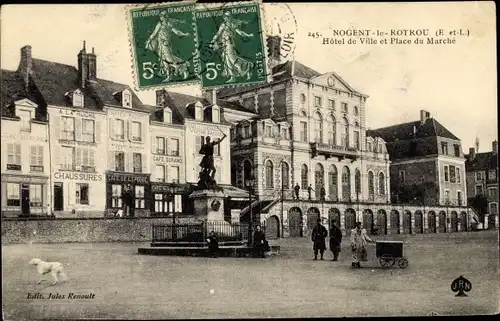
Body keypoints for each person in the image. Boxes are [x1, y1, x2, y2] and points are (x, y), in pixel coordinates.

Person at [145, 11, 190, 81]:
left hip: (165, 43)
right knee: (164, 60)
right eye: (162, 17)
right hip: (161, 44)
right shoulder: (163, 24)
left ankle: (183, 65)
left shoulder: (166, 24)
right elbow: (154, 33)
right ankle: (169, 76)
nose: (162, 18)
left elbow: (176, 32)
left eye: (163, 16)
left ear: (164, 17)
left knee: (169, 59)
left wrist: (184, 34)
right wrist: (148, 41)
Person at [210, 11, 254, 83]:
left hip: (229, 44)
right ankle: (232, 77)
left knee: (233, 60)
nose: (226, 18)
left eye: (227, 17)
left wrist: (248, 35)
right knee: (227, 60)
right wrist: (212, 41)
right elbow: (218, 33)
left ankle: (248, 66)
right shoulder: (223, 25)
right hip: (224, 44)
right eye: (225, 17)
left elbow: (240, 32)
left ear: (230, 17)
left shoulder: (233, 25)